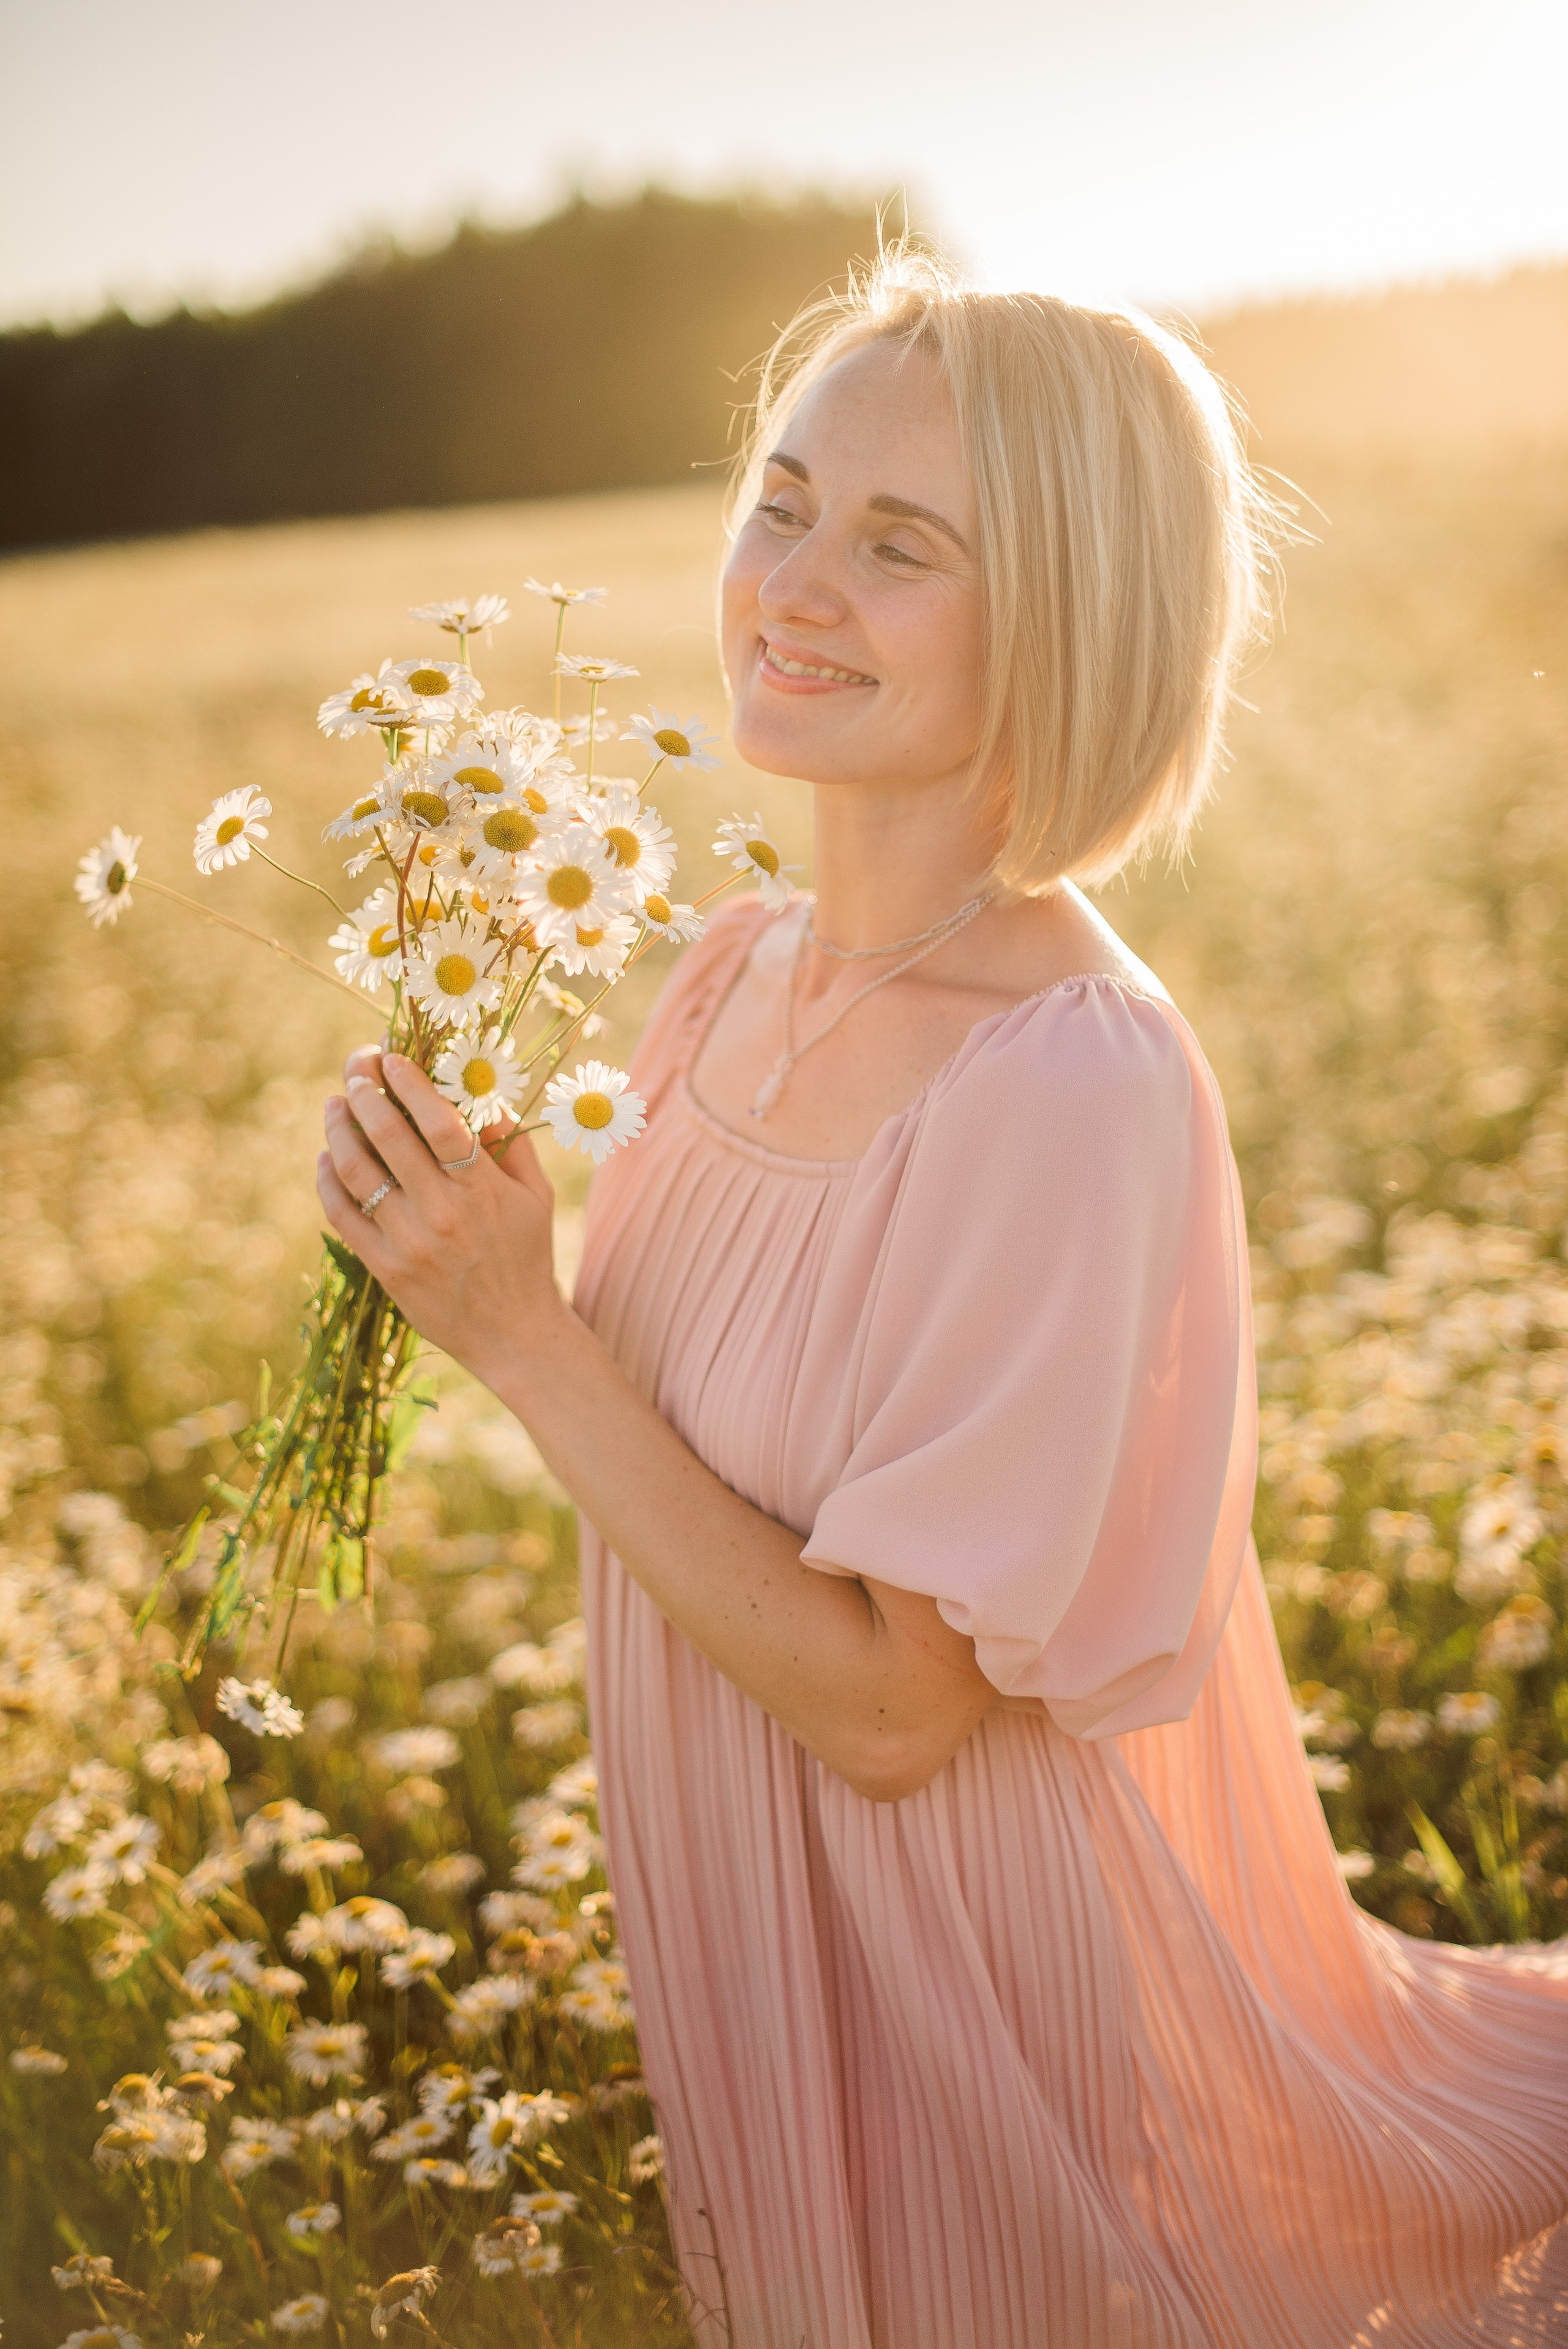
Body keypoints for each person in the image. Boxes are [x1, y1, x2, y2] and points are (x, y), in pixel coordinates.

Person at [318, 252, 1568, 2348]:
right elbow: (702, 1460)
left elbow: (901, 1710)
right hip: (750, 1932)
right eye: (785, 501)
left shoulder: (1066, 1076)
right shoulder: (724, 973)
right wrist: (450, 1228)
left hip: (981, 1988)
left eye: (901, 544)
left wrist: (512, 1329)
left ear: (1069, 615)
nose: (794, 582)